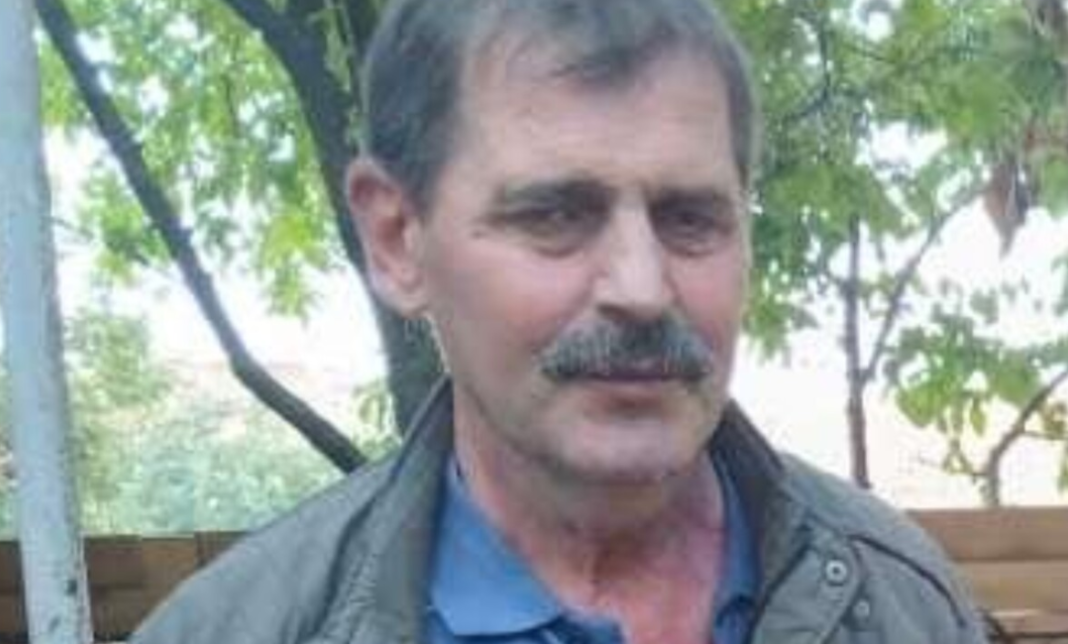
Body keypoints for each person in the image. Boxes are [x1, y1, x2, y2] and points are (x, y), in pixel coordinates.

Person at [131, 0, 990, 642]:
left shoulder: (904, 607)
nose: (642, 288)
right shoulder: (236, 629)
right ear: (396, 239)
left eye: (690, 218)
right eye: (555, 215)